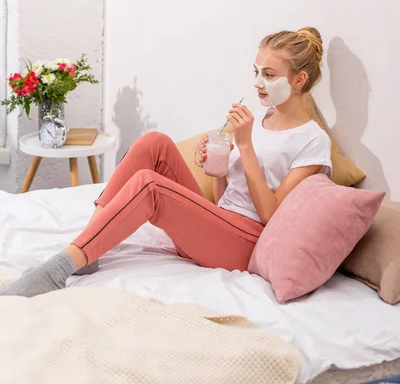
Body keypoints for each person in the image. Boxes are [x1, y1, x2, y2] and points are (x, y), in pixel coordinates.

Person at [0, 27, 332, 298]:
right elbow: (224, 198)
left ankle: (61, 268)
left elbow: (270, 214)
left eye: (269, 74)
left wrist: (243, 147)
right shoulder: (261, 118)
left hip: (245, 242)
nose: (258, 83)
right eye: (256, 71)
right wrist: (216, 168)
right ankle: (91, 250)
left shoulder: (312, 141)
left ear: (299, 80)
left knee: (150, 186)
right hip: (220, 221)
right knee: (154, 143)